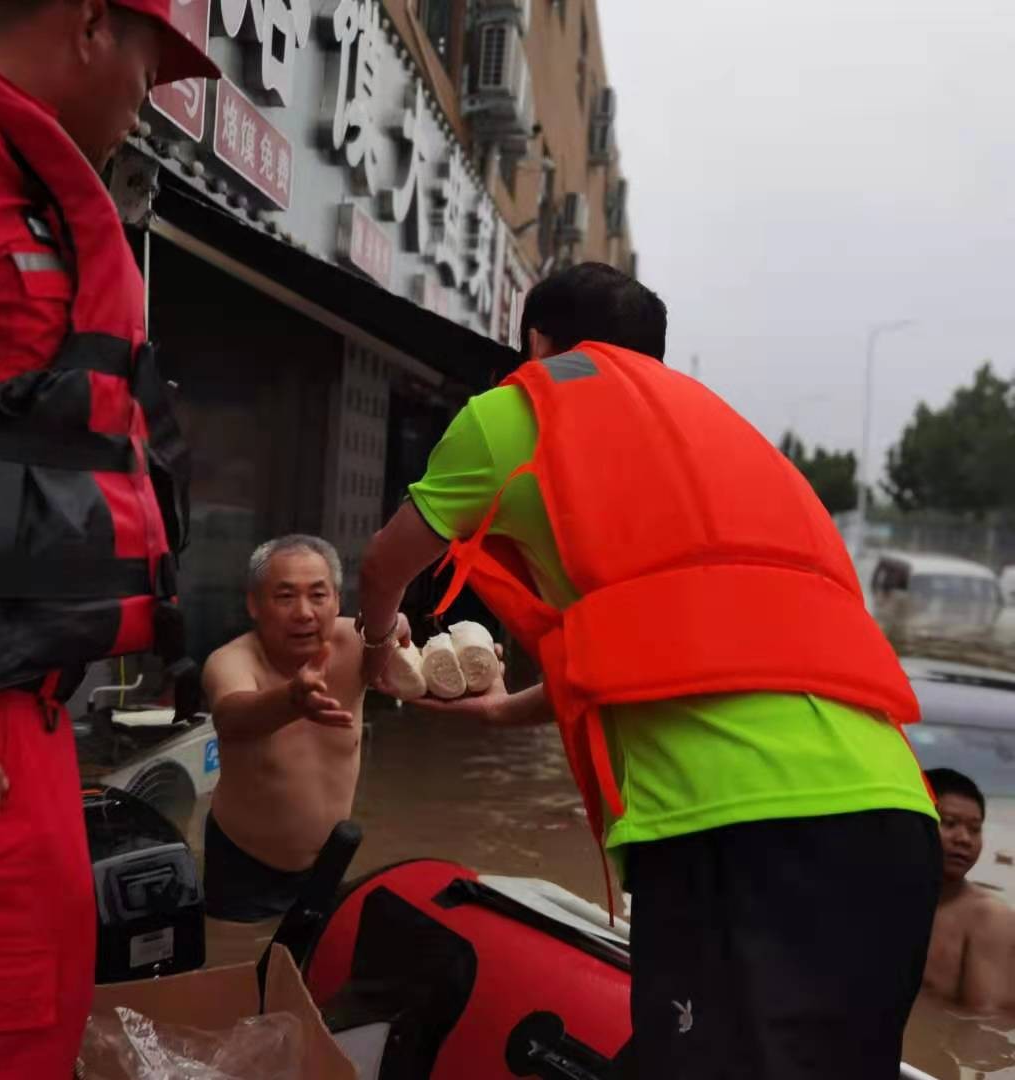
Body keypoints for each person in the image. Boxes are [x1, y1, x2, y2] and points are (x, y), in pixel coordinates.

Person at [358, 262, 941, 1080]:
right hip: (894, 821)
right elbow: (667, 652)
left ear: (536, 343)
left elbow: (385, 565)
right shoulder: (732, 446)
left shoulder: (516, 412)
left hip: (736, 833)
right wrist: (500, 712)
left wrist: (383, 651)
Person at [0, 3, 217, 1076]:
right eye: (152, 69)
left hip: (18, 739)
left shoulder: (16, 174)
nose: (151, 106)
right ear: (91, 23)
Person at [201, 535, 407, 921]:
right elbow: (231, 719)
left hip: (330, 862)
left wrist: (473, 664)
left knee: (315, 968)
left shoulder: (361, 645)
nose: (304, 613)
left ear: (337, 601)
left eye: (318, 595)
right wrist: (292, 699)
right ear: (253, 604)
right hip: (244, 867)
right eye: (284, 597)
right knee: (241, 967)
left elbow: (422, 661)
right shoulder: (231, 661)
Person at [922, 768, 1015, 1011]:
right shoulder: (880, 901)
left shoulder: (990, 919)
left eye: (975, 829)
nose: (964, 838)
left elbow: (984, 1032)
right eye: (949, 823)